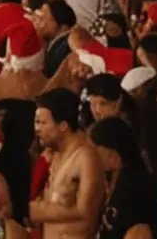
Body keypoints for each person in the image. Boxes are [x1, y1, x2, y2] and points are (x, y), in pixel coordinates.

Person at [29, 90, 103, 239]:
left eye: (42, 123)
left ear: (63, 125)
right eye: (36, 122)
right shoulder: (54, 154)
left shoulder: (86, 158)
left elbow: (86, 212)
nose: (37, 129)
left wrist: (39, 211)